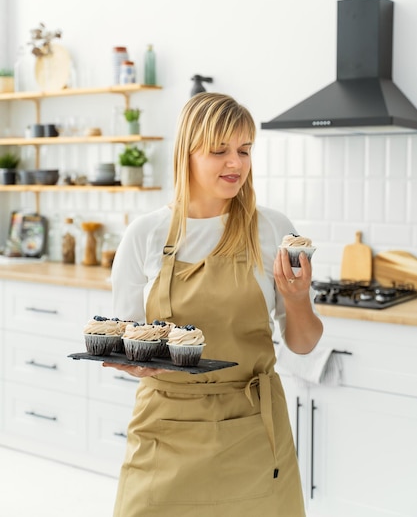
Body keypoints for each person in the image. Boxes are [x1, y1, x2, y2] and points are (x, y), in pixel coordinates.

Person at [107, 92, 323, 516]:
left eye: (244, 150)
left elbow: (302, 343)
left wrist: (298, 300)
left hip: (253, 432)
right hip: (166, 430)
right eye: (219, 150)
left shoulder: (273, 228)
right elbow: (127, 337)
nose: (236, 163)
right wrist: (132, 362)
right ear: (186, 153)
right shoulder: (146, 234)